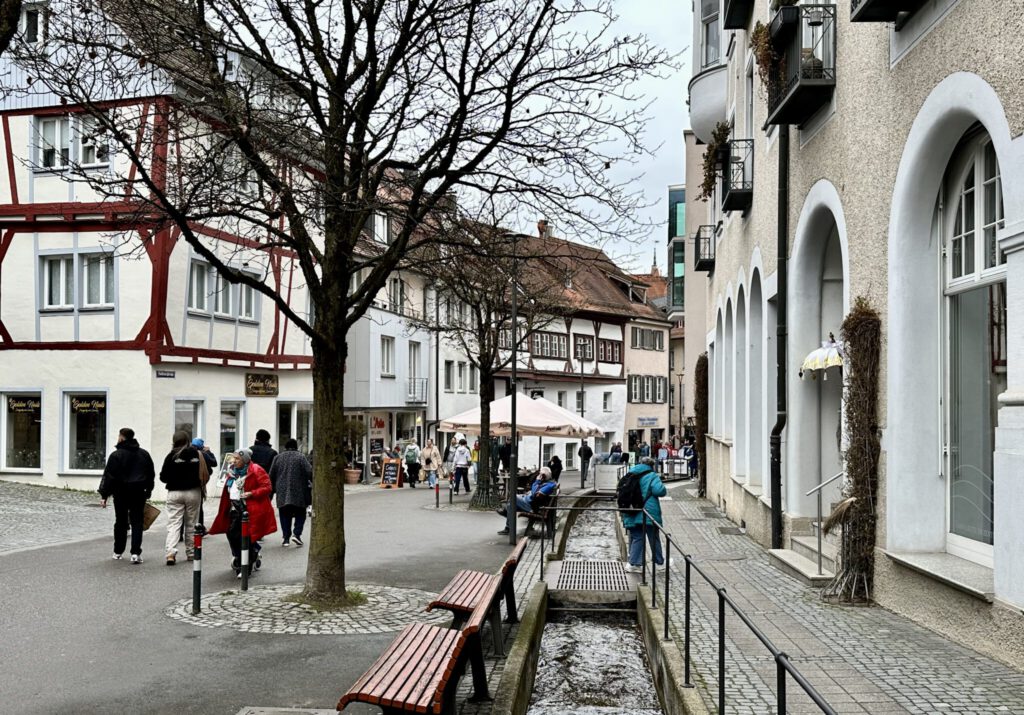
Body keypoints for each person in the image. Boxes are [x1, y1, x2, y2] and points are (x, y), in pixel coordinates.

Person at [209, 450, 277, 578]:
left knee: (246, 538)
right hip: (234, 509)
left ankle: (245, 567)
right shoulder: (232, 472)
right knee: (231, 534)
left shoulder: (255, 470)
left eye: (237, 459)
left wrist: (252, 493)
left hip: (249, 510)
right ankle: (246, 555)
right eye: (233, 458)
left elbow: (267, 487)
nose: (233, 461)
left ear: (245, 460)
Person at [98, 427, 156, 564]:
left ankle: (118, 551)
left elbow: (109, 476)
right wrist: (148, 490)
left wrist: (104, 495)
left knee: (121, 521)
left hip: (121, 492)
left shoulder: (116, 455)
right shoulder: (144, 454)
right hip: (138, 491)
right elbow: (150, 474)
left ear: (122, 438)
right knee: (137, 522)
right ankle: (135, 553)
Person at [159, 430, 208, 565]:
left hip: (174, 492)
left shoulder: (171, 456)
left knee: (174, 523)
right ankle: (191, 553)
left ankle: (171, 553)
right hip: (193, 492)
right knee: (191, 523)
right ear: (188, 440)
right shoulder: (197, 454)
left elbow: (163, 477)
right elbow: (206, 471)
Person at [621, 458, 667, 572]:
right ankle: (657, 562)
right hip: (648, 511)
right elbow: (659, 491)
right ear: (652, 465)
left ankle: (635, 562)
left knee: (636, 536)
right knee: (653, 537)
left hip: (631, 509)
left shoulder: (630, 473)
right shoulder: (652, 475)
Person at [270, 439, 313, 547]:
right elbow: (309, 471)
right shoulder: (301, 457)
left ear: (285, 447)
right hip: (299, 490)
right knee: (300, 512)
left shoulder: (277, 457)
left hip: (282, 491)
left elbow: (271, 475)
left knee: (284, 514)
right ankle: (296, 534)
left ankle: (286, 538)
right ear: (296, 447)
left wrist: (274, 488)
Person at [496, 467, 557, 534]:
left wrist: (537, 481)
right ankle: (508, 525)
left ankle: (507, 515)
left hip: (532, 507)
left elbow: (534, 494)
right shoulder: (548, 483)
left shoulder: (548, 485)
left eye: (540, 474)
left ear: (543, 476)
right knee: (511, 505)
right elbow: (535, 492)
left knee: (513, 497)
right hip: (530, 502)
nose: (538, 475)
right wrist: (532, 490)